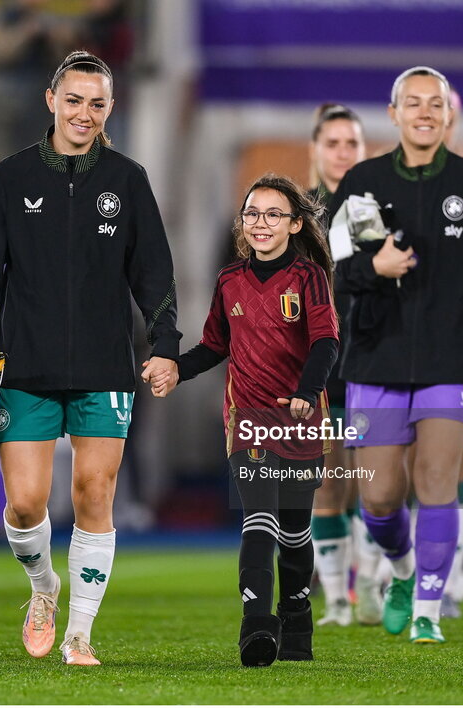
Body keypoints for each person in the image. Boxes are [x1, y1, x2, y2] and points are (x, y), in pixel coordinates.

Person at [0, 50, 180, 666]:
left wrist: (166, 347)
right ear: (51, 100)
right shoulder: (10, 177)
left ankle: (79, 634)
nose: (85, 113)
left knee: (94, 491)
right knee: (26, 503)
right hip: (26, 366)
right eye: (74, 100)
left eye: (98, 103)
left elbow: (154, 273)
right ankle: (43, 589)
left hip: (107, 367)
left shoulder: (128, 180)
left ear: (111, 109)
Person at [331, 66, 463, 644]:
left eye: (435, 104)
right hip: (375, 362)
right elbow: (332, 273)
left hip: (450, 364)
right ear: (393, 113)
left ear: (448, 114)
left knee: (438, 483)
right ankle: (405, 573)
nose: (425, 112)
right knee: (380, 497)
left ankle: (428, 614)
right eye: (413, 103)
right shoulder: (360, 182)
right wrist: (374, 268)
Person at [145, 174, 339, 666]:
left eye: (273, 214)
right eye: (252, 213)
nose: (261, 223)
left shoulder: (310, 278)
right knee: (259, 518)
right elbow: (214, 345)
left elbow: (325, 343)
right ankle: (256, 625)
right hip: (247, 419)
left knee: (295, 531)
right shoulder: (229, 279)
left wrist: (306, 393)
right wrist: (175, 369)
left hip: (300, 419)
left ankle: (296, 618)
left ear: (295, 224)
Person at [304, 103, 383, 627]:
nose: (342, 153)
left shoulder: (374, 209)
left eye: (351, 143)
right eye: (332, 143)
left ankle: (373, 586)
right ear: (315, 149)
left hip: (373, 362)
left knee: (375, 484)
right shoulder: (294, 212)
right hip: (318, 368)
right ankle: (336, 598)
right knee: (327, 485)